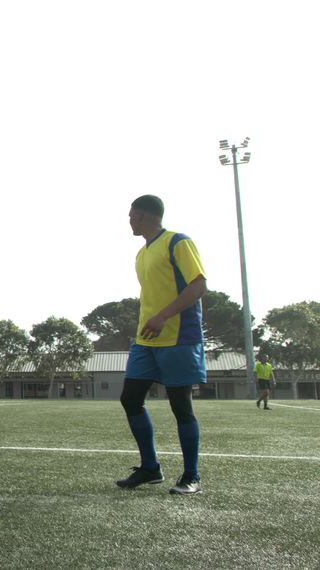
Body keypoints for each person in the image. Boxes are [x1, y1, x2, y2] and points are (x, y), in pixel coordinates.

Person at [116, 194, 207, 496]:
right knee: (130, 398)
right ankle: (150, 467)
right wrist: (147, 321)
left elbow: (198, 285)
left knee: (181, 406)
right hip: (146, 341)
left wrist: (163, 316)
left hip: (179, 337)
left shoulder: (177, 242)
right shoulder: (141, 254)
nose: (129, 220)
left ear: (144, 216)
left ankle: (191, 476)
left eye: (132, 215)